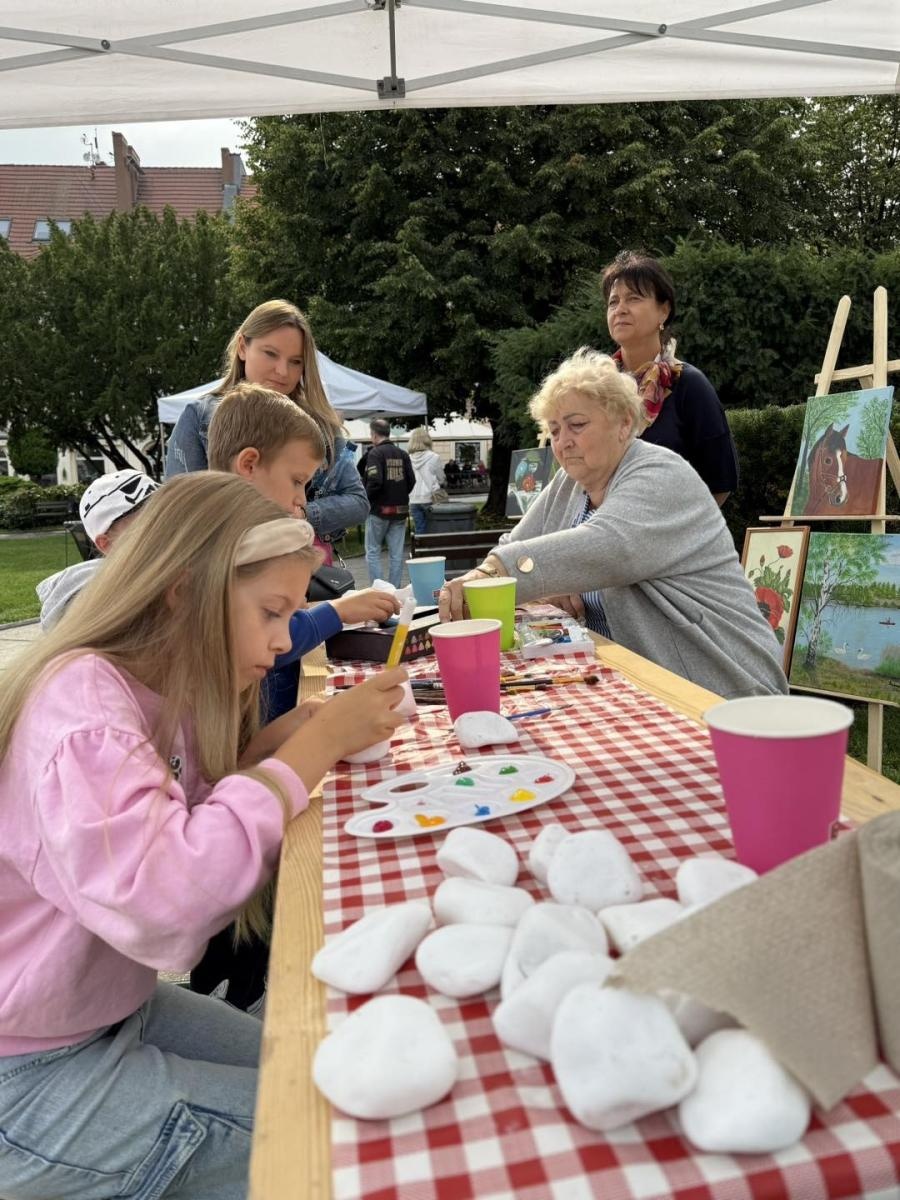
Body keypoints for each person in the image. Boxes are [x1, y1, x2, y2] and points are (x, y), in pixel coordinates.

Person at [0, 471, 407, 1200]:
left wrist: (268, 755)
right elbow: (167, 901)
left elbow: (169, 828)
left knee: (321, 1065)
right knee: (348, 1142)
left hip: (104, 1013)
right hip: (28, 1078)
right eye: (272, 613)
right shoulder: (85, 716)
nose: (286, 640)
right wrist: (303, 759)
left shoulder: (162, 692)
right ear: (182, 591)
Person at [438, 349, 787, 700]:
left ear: (623, 424)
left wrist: (502, 573)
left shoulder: (662, 474)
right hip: (642, 682)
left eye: (577, 425)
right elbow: (513, 543)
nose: (563, 442)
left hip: (725, 687)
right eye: (555, 430)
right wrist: (547, 578)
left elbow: (609, 546)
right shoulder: (570, 484)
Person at [163, 298, 369, 561]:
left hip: (310, 575)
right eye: (270, 354)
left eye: (296, 361)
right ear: (242, 347)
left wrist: (302, 516)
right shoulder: (200, 416)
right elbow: (180, 512)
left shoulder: (319, 423)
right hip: (230, 576)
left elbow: (357, 501)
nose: (282, 371)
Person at [601, 250, 738, 506]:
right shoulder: (595, 388)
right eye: (613, 302)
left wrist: (676, 533)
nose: (620, 309)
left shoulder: (688, 385)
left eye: (633, 298)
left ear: (663, 311)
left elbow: (720, 481)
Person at [37, 468, 160, 630]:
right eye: (147, 522)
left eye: (166, 511)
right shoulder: (108, 609)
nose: (164, 526)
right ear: (106, 544)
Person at [362, 417, 416, 587]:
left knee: (372, 552)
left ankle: (379, 590)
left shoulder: (375, 453)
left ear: (374, 435)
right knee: (396, 554)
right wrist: (399, 494)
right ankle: (395, 590)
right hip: (400, 510)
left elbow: (374, 481)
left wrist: (366, 500)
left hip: (379, 510)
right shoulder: (403, 454)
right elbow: (412, 481)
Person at [407, 426, 446, 535]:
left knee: (420, 528)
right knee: (434, 528)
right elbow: (441, 478)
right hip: (431, 497)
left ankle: (421, 550)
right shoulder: (434, 457)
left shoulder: (408, 458)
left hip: (413, 498)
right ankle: (432, 550)